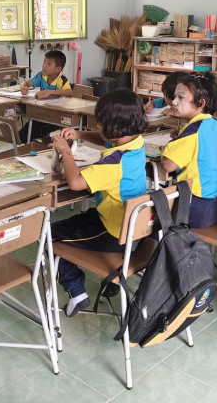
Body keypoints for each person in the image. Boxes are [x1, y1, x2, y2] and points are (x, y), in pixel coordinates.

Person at [50, 88, 148, 316]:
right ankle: (103, 285)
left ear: (114, 126)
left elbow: (75, 182)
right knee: (77, 222)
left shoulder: (113, 164)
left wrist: (66, 152)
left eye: (100, 123)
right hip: (132, 227)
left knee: (48, 233)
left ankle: (75, 289)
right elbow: (106, 140)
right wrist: (79, 134)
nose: (98, 126)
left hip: (113, 233)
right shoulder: (135, 143)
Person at [160, 72, 217, 228]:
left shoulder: (192, 133)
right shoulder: (215, 123)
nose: (174, 102)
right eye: (175, 96)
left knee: (152, 213)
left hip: (196, 207)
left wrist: (167, 148)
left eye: (181, 97)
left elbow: (168, 165)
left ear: (200, 103)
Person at [19, 50, 74, 142]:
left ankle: (33, 143)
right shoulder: (41, 76)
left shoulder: (62, 80)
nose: (44, 65)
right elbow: (26, 83)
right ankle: (25, 142)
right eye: (44, 61)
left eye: (49, 63)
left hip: (56, 117)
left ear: (58, 69)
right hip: (41, 113)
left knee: (37, 131)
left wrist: (50, 92)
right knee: (26, 131)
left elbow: (70, 93)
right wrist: (23, 87)